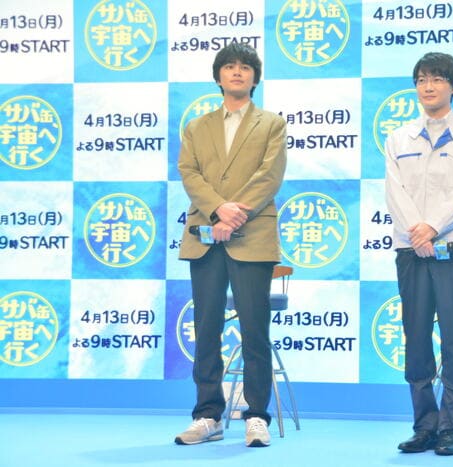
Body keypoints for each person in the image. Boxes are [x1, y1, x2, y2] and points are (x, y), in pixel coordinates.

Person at [174, 43, 287, 448]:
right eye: (229, 67)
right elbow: (189, 171)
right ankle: (208, 415)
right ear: (218, 76)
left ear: (255, 78)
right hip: (205, 237)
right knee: (206, 329)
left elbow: (269, 176)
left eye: (245, 67)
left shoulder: (271, 124)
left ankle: (256, 416)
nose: (237, 72)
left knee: (255, 329)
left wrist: (234, 214)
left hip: (252, 236)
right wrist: (217, 210)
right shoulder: (197, 126)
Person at [384, 52, 453, 456]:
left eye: (437, 79)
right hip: (411, 248)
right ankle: (425, 424)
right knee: (415, 338)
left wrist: (433, 226)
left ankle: (450, 426)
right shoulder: (398, 138)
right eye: (422, 79)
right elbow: (394, 191)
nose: (428, 86)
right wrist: (418, 231)